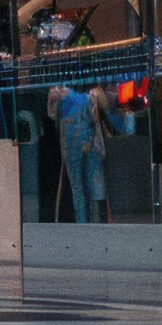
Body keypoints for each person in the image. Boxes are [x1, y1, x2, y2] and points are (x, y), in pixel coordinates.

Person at [49, 85, 108, 223]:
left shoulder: (87, 92)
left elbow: (103, 104)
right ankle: (85, 225)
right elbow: (52, 112)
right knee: (80, 187)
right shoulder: (60, 90)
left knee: (94, 183)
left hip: (89, 141)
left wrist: (70, 95)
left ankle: (96, 224)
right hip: (74, 143)